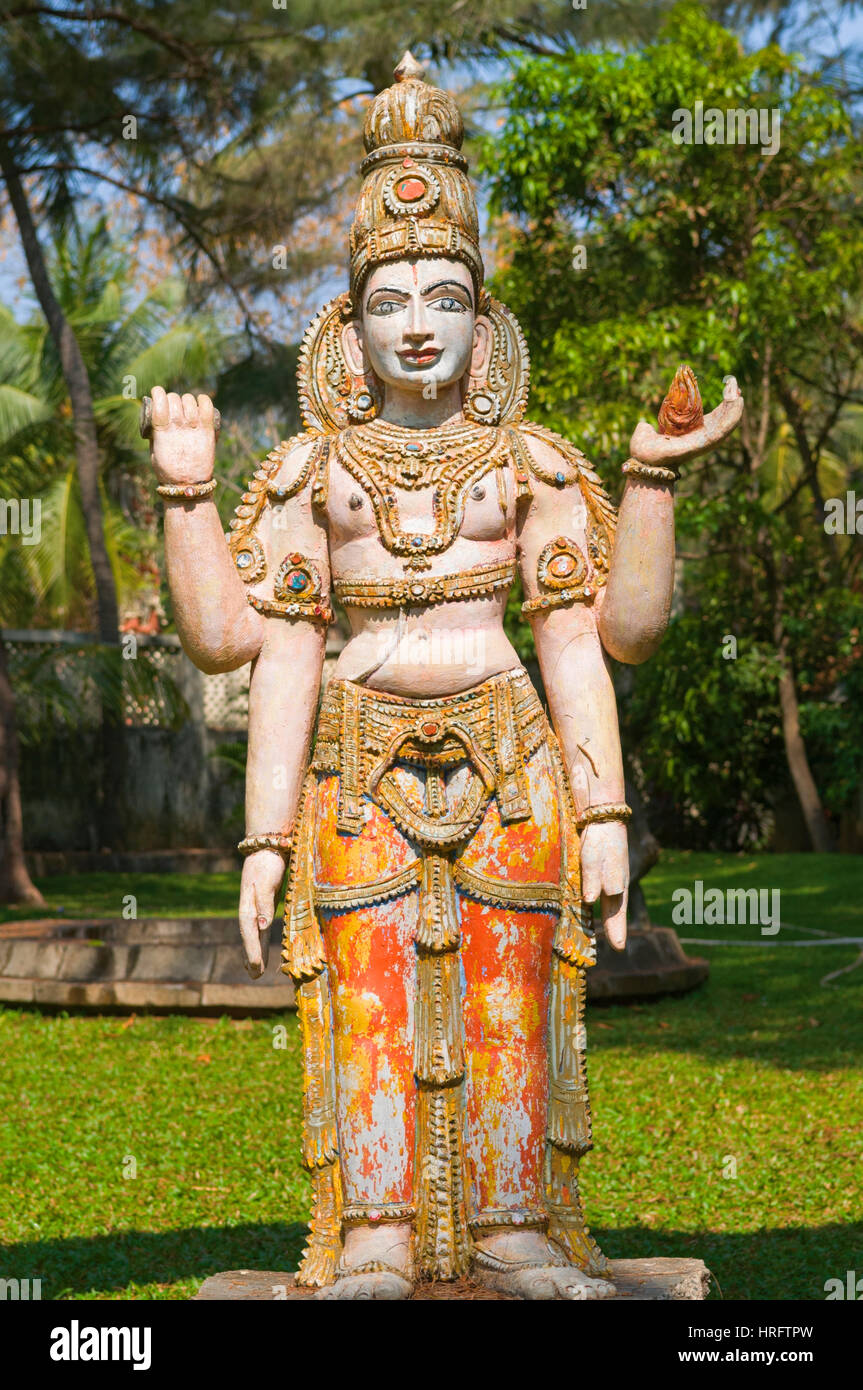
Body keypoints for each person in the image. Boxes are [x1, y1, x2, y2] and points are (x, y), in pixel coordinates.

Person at [146, 53, 743, 1299]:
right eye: (388, 300)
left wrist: (648, 478)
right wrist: (188, 490)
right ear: (349, 330)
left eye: (444, 295)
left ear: (483, 321)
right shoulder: (314, 476)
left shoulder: (526, 462)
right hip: (353, 770)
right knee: (361, 996)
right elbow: (244, 642)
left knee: (517, 999)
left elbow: (603, 633)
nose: (416, 320)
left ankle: (515, 1233)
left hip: (515, 766)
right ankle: (369, 1241)